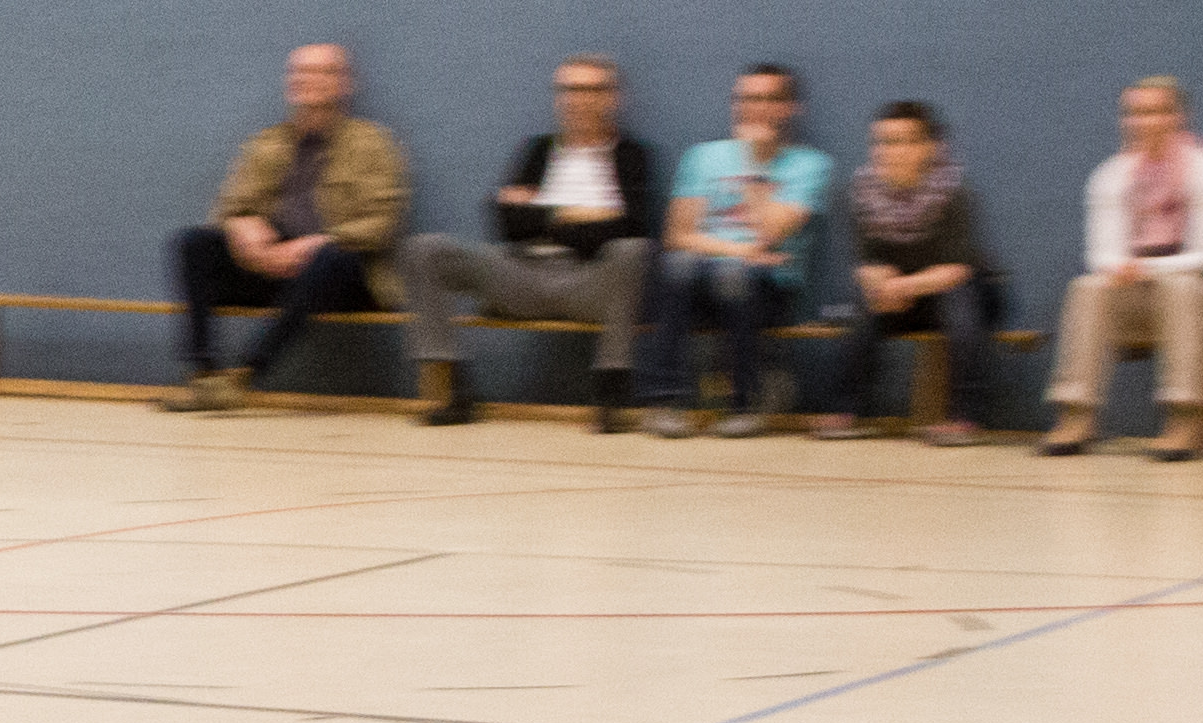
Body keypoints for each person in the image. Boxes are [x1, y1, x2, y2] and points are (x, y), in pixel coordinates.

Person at [399, 54, 657, 429]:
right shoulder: (539, 150)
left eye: (589, 90)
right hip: (521, 274)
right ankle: (453, 389)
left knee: (634, 250)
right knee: (423, 250)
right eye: (568, 90)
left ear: (612, 98)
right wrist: (577, 215)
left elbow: (631, 227)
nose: (577, 100)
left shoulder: (632, 155)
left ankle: (610, 393)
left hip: (588, 283)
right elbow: (507, 223)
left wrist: (543, 214)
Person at [164, 43, 405, 411]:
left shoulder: (373, 144)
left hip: (342, 274)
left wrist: (320, 242)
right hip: (272, 267)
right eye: (298, 72)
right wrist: (242, 226)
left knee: (331, 258)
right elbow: (227, 208)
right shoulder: (267, 142)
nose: (306, 80)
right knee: (192, 243)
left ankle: (244, 375)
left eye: (320, 72)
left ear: (344, 83)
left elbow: (384, 221)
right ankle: (204, 376)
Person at [1041, 75, 1203, 460]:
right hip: (1143, 293)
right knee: (1088, 288)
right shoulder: (1111, 174)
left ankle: (1185, 420)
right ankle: (1076, 416)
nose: (1144, 122)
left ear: (1180, 117)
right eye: (1135, 114)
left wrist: (1147, 269)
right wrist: (1119, 268)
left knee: (1182, 287)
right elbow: (1101, 254)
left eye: (1156, 112)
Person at [645, 61, 830, 438]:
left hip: (770, 288)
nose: (754, 108)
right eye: (746, 98)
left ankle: (744, 402)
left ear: (790, 108)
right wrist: (740, 250)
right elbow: (678, 235)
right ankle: (666, 402)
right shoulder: (703, 157)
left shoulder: (810, 166)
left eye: (768, 99)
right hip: (701, 279)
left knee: (733, 275)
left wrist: (753, 165)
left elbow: (769, 233)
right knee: (678, 265)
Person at [803, 99, 1004, 442]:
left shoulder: (954, 192)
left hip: (962, 293)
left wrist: (902, 287)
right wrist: (877, 284)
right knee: (863, 305)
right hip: (901, 298)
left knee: (960, 303)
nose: (887, 152)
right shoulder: (862, 193)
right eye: (881, 142)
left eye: (900, 142)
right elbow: (865, 262)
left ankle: (966, 418)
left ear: (928, 148)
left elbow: (956, 271)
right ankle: (845, 410)